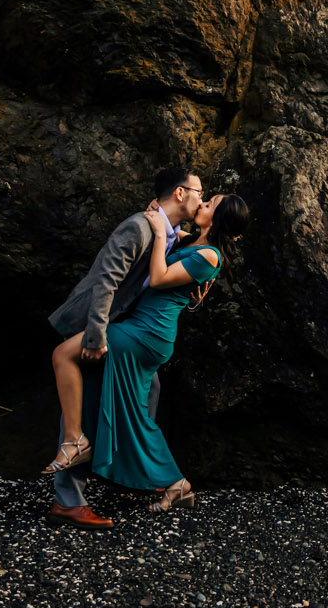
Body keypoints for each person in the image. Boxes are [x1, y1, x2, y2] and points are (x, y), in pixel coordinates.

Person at [42, 166, 203, 528]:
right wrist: (97, 336)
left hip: (127, 331)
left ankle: (128, 472)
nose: (202, 199)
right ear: (180, 193)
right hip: (98, 327)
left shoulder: (175, 235)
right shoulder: (140, 226)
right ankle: (68, 499)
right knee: (86, 404)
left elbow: (162, 288)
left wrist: (192, 297)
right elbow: (106, 281)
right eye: (199, 191)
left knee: (149, 393)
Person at [92, 191, 250, 512]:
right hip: (143, 325)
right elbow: (168, 234)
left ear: (217, 219)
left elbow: (159, 278)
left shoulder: (211, 256)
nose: (202, 205)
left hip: (149, 332)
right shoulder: (192, 240)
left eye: (210, 204)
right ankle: (159, 480)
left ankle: (172, 480)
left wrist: (163, 231)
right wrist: (162, 218)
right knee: (136, 409)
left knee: (98, 345)